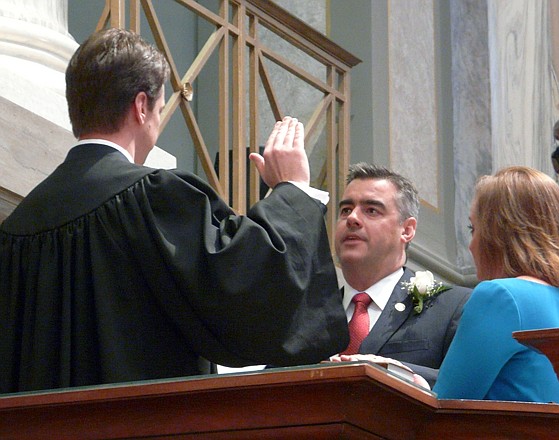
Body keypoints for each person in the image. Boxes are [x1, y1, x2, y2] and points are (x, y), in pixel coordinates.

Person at [0, 28, 349, 393]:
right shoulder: (154, 197)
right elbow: (245, 289)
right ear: (140, 106)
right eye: (161, 108)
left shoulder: (17, 228)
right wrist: (292, 191)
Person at [328, 163, 471, 387]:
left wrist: (393, 371)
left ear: (407, 230)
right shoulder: (312, 316)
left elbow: (464, 387)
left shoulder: (452, 306)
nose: (352, 218)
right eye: (346, 210)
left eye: (371, 210)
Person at [433, 166, 559, 402]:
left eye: (474, 229)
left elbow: (445, 405)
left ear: (498, 234)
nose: (470, 246)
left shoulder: (501, 296)